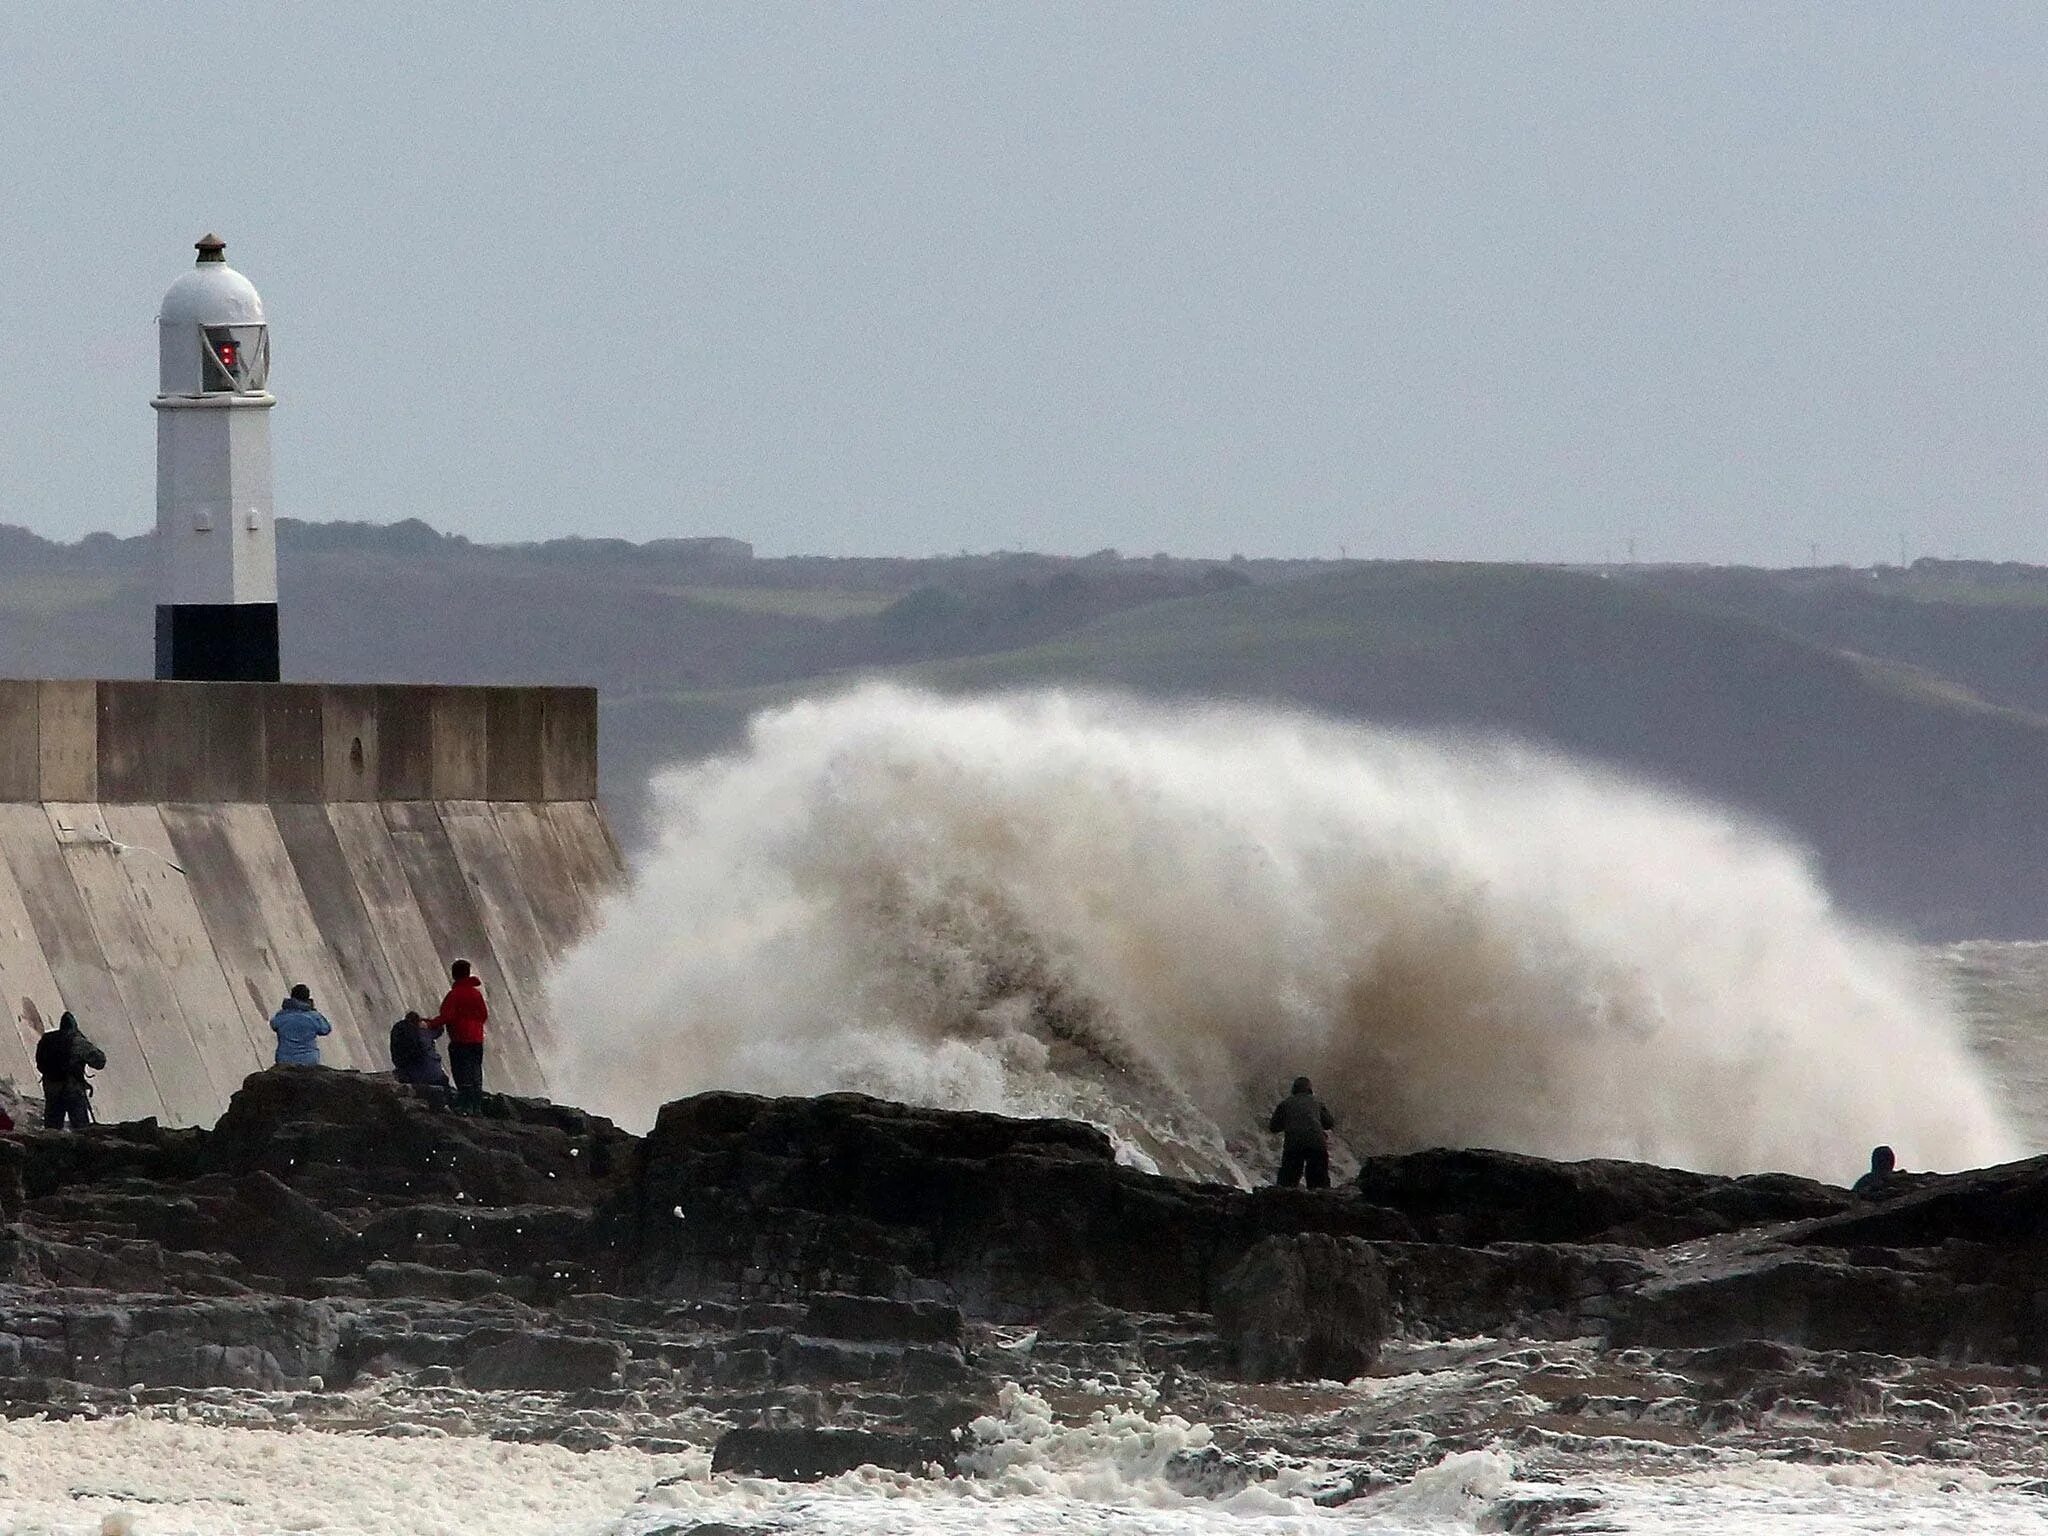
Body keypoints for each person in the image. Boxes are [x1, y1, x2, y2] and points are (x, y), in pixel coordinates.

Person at [430, 959, 489, 1113]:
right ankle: (477, 1106)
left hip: (460, 1040)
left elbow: (446, 1016)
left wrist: (429, 1024)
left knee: (462, 1073)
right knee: (475, 1071)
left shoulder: (455, 995)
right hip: (477, 1040)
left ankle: (465, 1105)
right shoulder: (476, 994)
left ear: (454, 975)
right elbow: (483, 1015)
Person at [35, 1012, 105, 1130]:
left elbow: (39, 1062)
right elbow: (100, 1062)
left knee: (52, 1127)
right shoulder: (77, 1041)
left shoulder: (47, 1039)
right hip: (72, 1088)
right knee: (81, 1126)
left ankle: (49, 1146)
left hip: (51, 1087)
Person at [1269, 1075, 1336, 1189]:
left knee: (1287, 1182)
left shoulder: (1285, 1103)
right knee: (1319, 1182)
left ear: (1293, 1090)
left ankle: (1284, 1202)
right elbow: (1329, 1123)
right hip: (1316, 1143)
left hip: (1294, 1144)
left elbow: (1273, 1127)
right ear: (1310, 1090)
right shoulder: (1317, 1102)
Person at [270, 983, 334, 1066]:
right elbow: (326, 1029)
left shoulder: (282, 1015)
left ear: (292, 996)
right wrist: (313, 1010)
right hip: (309, 1060)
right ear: (307, 998)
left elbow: (273, 1024)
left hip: (285, 1060)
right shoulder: (313, 1016)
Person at [389, 1008, 450, 1090]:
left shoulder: (398, 1030)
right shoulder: (424, 1032)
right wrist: (427, 1024)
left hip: (409, 1075)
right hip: (433, 1075)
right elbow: (440, 1029)